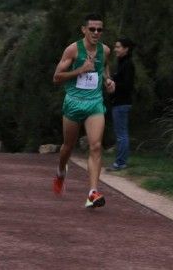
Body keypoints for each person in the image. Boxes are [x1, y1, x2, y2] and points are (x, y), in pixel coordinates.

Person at [52, 13, 115, 208]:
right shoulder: (72, 50)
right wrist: (79, 70)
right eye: (92, 29)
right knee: (67, 147)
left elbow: (104, 68)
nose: (96, 33)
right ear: (84, 30)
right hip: (73, 102)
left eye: (99, 29)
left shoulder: (105, 51)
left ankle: (92, 193)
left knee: (95, 146)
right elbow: (56, 77)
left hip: (95, 103)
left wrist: (108, 80)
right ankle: (61, 171)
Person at [106, 38, 136, 171]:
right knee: (121, 133)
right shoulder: (122, 63)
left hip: (122, 104)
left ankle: (121, 162)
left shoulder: (128, 64)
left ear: (126, 49)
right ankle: (120, 161)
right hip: (118, 103)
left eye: (118, 47)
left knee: (121, 134)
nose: (115, 49)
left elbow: (128, 85)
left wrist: (114, 84)